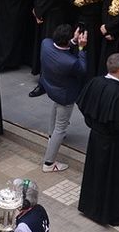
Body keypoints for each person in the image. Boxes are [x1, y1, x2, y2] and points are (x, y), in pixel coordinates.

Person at [76, 53, 119, 227]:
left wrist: (93, 123)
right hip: (112, 144)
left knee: (95, 175)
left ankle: (91, 207)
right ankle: (109, 213)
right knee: (112, 180)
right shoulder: (117, 94)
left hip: (95, 137)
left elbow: (83, 105)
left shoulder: (95, 82)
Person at [37, 24, 86, 172]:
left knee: (55, 112)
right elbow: (82, 69)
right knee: (61, 128)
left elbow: (60, 48)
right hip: (65, 95)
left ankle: (51, 137)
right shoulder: (70, 62)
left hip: (51, 87)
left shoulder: (45, 44)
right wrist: (82, 48)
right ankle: (49, 163)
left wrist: (73, 41)